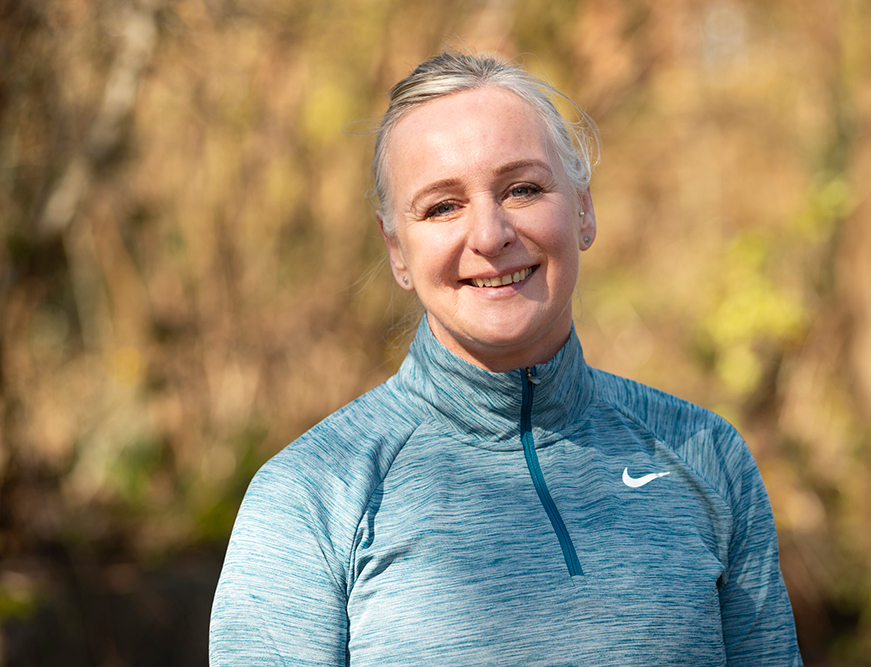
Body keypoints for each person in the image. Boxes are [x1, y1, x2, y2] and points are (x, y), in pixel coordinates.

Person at [209, 51, 803, 666]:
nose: (490, 235)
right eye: (442, 206)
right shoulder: (309, 493)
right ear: (397, 251)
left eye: (523, 189)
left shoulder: (707, 455)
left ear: (583, 209)